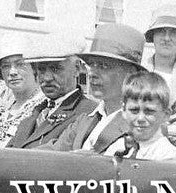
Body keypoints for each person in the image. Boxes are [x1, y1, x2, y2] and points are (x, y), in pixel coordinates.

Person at [50, 24, 147, 153]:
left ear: (131, 74)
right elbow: (50, 153)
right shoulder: (85, 120)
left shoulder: (142, 124)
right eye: (92, 65)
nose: (92, 73)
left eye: (103, 66)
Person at [7, 33, 98, 150]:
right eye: (41, 69)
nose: (47, 78)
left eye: (56, 68)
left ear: (77, 68)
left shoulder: (88, 113)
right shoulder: (35, 112)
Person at [0, 33, 45, 148]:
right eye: (6, 66)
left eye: (20, 64)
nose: (12, 72)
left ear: (35, 68)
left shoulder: (44, 108)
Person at [102, 71, 176, 161]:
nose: (140, 118)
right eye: (134, 110)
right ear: (124, 111)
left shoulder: (168, 157)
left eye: (149, 111)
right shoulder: (117, 147)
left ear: (166, 115)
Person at [143, 6, 176, 122]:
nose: (167, 38)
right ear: (153, 36)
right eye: (161, 32)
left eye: (173, 33)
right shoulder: (139, 69)